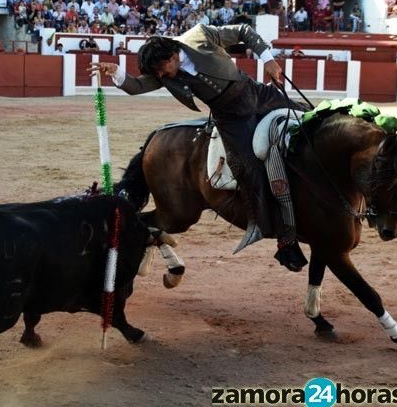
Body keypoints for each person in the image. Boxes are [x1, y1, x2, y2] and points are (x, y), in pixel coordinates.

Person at [90, 24, 309, 271]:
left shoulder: (201, 35)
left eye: (162, 69)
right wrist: (116, 72)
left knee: (309, 118)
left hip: (255, 94)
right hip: (231, 119)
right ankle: (283, 238)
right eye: (157, 73)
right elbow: (136, 86)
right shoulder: (164, 73)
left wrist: (267, 59)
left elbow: (244, 32)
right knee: (248, 169)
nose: (161, 75)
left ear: (172, 56)